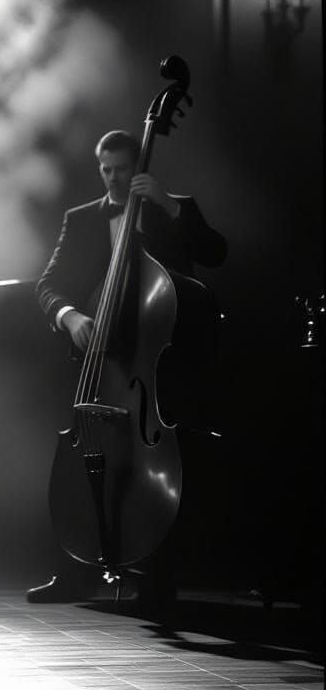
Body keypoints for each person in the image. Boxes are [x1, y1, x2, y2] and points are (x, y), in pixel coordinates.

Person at [29, 129, 227, 607]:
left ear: (138, 167)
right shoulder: (81, 219)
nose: (113, 178)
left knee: (158, 467)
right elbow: (48, 284)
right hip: (101, 365)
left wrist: (168, 205)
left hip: (158, 375)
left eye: (121, 169)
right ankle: (74, 569)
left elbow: (214, 253)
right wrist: (70, 315)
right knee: (82, 456)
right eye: (106, 169)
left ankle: (156, 572)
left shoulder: (173, 208)